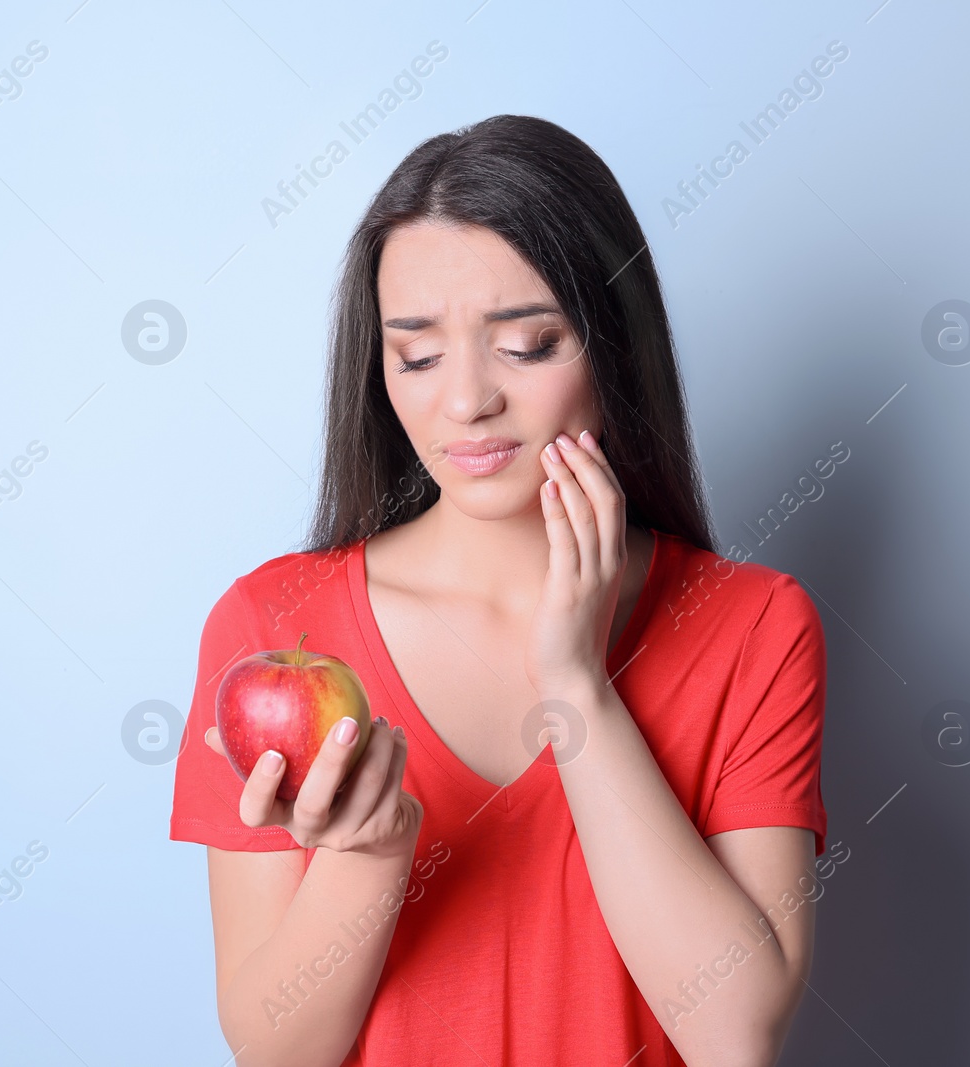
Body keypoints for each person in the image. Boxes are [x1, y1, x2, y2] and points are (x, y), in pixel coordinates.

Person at [169, 114, 829, 1067]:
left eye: (526, 345)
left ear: (614, 345)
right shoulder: (275, 623)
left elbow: (735, 1035)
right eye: (419, 354)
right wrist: (371, 849)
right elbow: (278, 1052)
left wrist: (576, 683)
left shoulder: (752, 624)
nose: (467, 400)